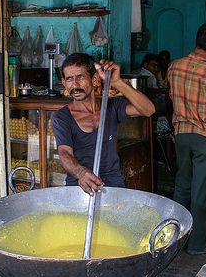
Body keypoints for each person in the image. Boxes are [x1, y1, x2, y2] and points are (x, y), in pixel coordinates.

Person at [52, 52, 155, 195]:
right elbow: (64, 153)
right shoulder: (62, 117)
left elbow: (149, 110)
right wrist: (80, 172)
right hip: (80, 186)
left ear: (94, 80)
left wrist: (117, 82)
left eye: (80, 77)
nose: (74, 84)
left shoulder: (111, 106)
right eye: (69, 79)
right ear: (64, 83)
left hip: (113, 184)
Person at [167, 23, 206, 255]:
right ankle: (198, 244)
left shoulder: (174, 66)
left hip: (181, 133)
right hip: (205, 136)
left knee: (182, 185)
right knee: (201, 191)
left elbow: (171, 97)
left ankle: (175, 240)